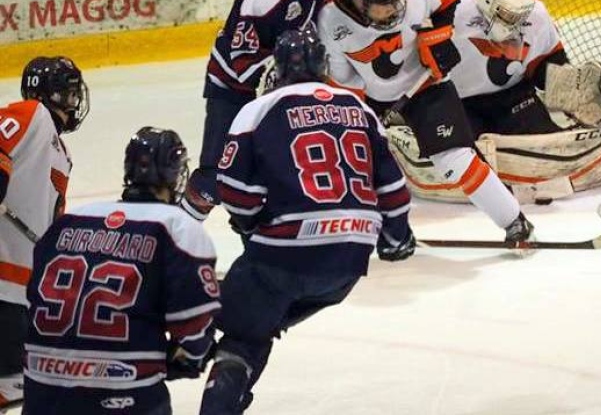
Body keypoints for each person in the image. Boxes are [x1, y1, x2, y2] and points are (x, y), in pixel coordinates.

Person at [199, 29, 414, 414]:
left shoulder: (258, 109)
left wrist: (251, 225)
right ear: (323, 66)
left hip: (282, 261)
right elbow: (394, 189)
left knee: (241, 334)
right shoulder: (358, 107)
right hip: (346, 267)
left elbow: (232, 189)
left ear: (278, 68)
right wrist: (396, 238)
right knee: (259, 321)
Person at [384, 0, 601, 204]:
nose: (517, 26)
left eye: (522, 18)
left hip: (511, 97)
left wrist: (576, 89)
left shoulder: (535, 14)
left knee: (548, 145)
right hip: (452, 99)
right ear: (490, 4)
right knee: (464, 158)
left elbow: (545, 63)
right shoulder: (455, 2)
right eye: (509, 18)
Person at [316, 0, 538, 248]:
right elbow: (343, 82)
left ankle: (515, 222)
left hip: (426, 86)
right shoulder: (330, 21)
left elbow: (448, 0)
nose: (395, 8)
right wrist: (361, 119)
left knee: (454, 159)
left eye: (397, 0)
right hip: (373, 98)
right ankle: (361, 231)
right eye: (385, 4)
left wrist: (440, 35)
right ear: (359, 1)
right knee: (357, 163)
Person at [22, 127, 219, 414]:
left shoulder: (69, 222)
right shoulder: (177, 227)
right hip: (123, 391)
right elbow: (194, 325)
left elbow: (32, 297)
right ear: (174, 174)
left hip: (43, 387)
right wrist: (191, 357)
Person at [184, 0, 343, 219]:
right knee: (215, 179)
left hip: (282, 85)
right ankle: (176, 232)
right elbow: (239, 63)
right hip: (232, 88)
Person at [0, 56, 88, 409]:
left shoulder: (63, 155)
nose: (73, 102)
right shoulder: (30, 114)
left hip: (19, 300)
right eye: (68, 94)